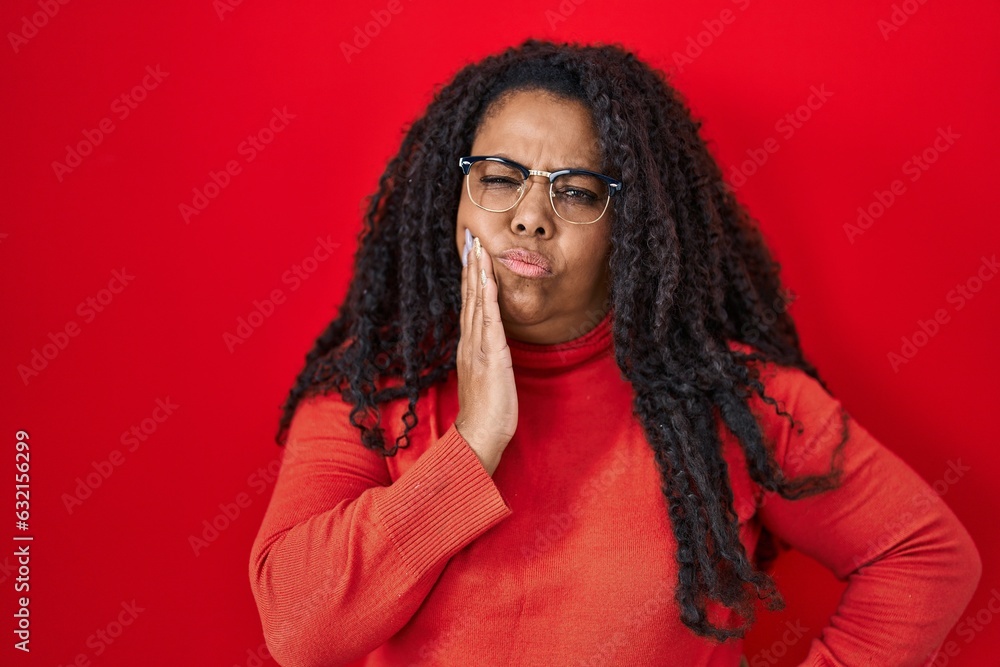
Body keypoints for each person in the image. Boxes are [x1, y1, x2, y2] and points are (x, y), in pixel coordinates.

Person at [248, 39, 981, 666]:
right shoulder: (372, 388)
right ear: (456, 196)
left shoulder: (726, 394)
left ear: (630, 226)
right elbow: (299, 627)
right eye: (500, 179)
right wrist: (475, 443)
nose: (530, 217)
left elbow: (924, 557)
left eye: (576, 192)